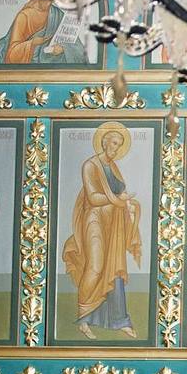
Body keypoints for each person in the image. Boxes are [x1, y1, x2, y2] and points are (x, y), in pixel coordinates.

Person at [61, 121, 144, 339]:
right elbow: (93, 198)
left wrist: (128, 205)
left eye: (119, 145)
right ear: (104, 142)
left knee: (114, 271)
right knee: (96, 266)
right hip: (94, 220)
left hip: (113, 223)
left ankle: (119, 320)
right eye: (113, 143)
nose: (115, 148)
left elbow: (120, 195)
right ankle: (83, 317)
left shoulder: (113, 167)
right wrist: (119, 200)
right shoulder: (90, 165)